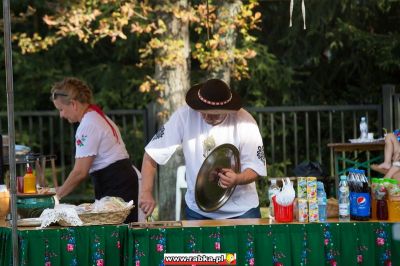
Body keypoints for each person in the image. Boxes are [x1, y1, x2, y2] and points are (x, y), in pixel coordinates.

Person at [139, 78, 267, 220]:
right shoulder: (184, 116)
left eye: (214, 113)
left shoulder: (246, 122)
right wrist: (146, 192)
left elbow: (256, 168)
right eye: (202, 111)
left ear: (228, 109)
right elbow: (151, 154)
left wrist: (237, 178)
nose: (206, 117)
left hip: (242, 210)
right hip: (198, 210)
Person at [51, 77, 139, 222]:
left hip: (115, 183)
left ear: (73, 104)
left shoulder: (88, 125)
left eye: (61, 109)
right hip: (120, 179)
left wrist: (57, 195)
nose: (61, 115)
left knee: (115, 237)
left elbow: (80, 172)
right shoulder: (95, 116)